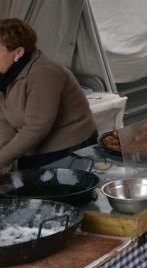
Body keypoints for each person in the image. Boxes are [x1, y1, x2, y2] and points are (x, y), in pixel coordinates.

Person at [0, 19, 97, 171]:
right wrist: (5, 157)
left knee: (53, 192)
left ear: (18, 52)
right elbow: (3, 119)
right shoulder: (5, 75)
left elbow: (37, 127)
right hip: (33, 148)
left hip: (68, 149)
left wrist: (3, 159)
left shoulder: (44, 73)